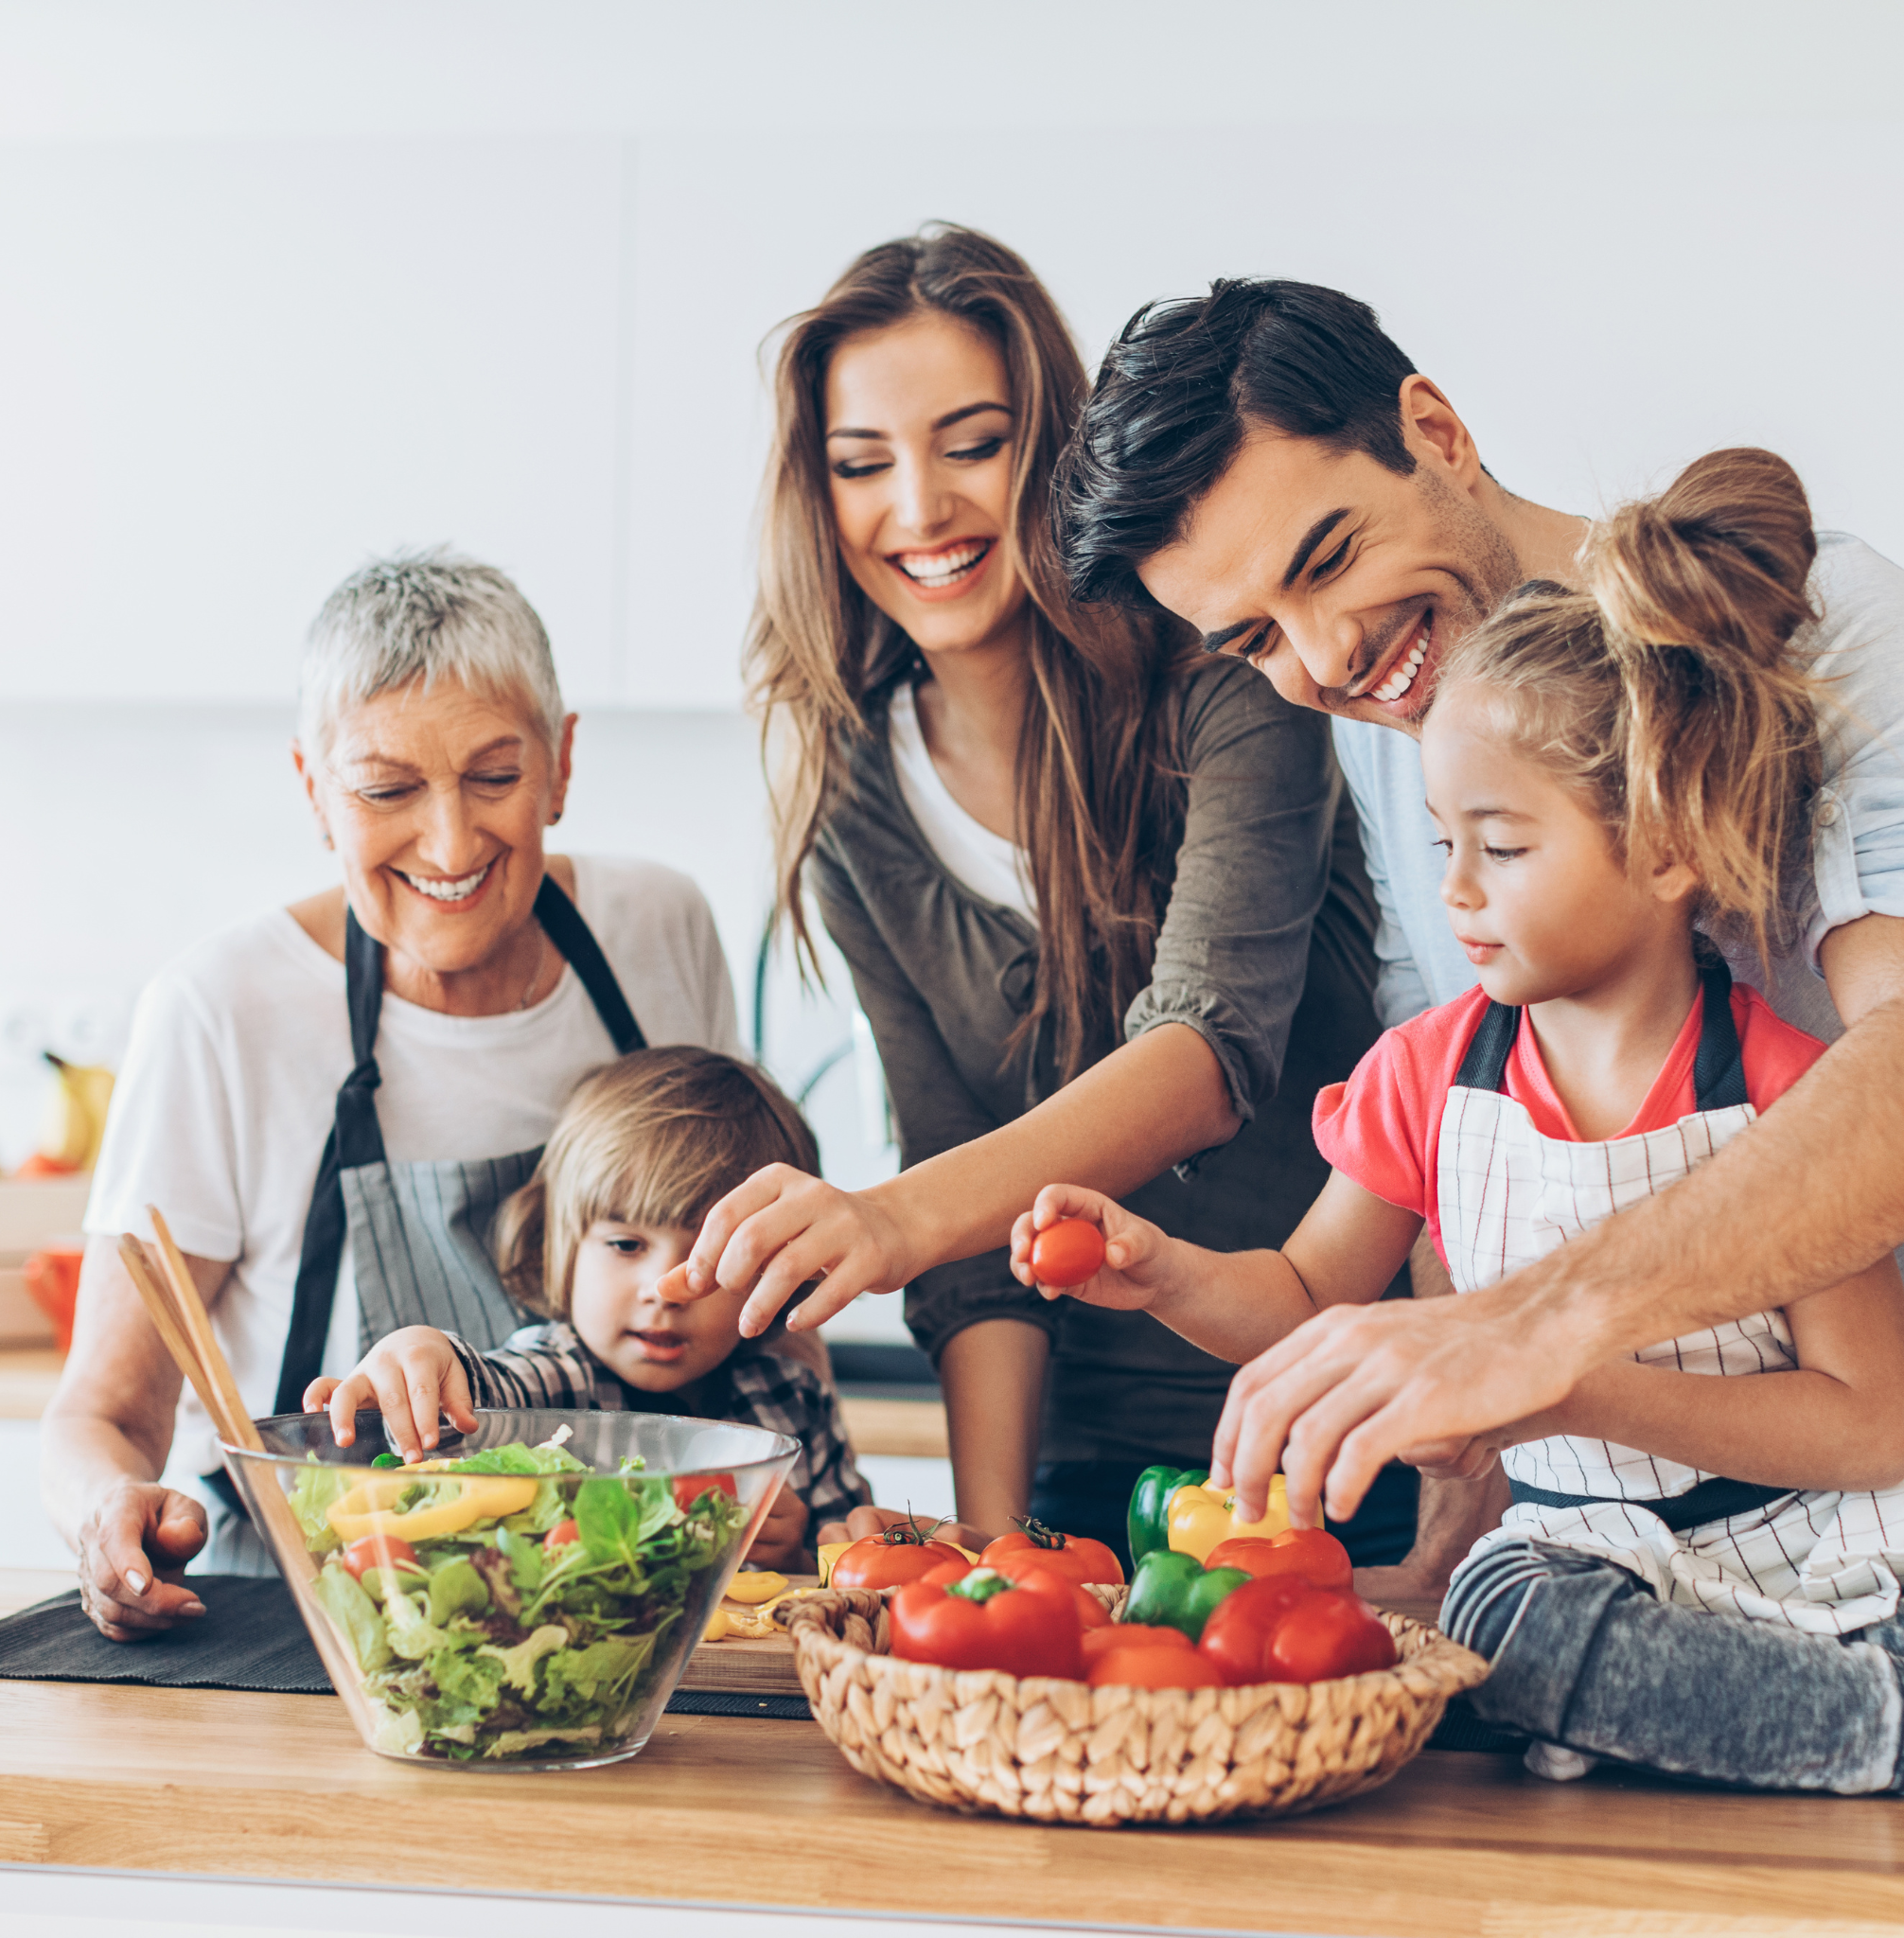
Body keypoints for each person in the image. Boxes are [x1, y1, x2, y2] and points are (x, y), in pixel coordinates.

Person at [1020, 449, 1904, 1791]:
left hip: (1833, 1542)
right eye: (1442, 841)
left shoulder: (1795, 1097)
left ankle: (1852, 1722)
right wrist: (1165, 1276)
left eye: (1502, 848)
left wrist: (1562, 1376)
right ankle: (1873, 1733)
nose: (1454, 893)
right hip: (1591, 1560)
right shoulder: (1424, 1077)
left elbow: (1866, 1429)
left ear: (1672, 843)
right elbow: (1303, 1301)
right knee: (1499, 1620)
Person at [679, 225, 1396, 1569]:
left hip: (1336, 1431)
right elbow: (963, 1224)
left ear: (1054, 454)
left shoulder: (1229, 680)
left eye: (972, 443)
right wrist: (991, 1548)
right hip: (1084, 1464)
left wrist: (886, 1219)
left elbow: (1204, 1057)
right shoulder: (850, 789)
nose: (920, 508)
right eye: (861, 464)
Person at [44, 551, 746, 1638]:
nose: (452, 842)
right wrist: (107, 1513)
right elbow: (104, 1409)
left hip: (617, 1612)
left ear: (561, 763)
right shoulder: (221, 1009)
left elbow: (755, 1286)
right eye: (387, 789)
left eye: (495, 776)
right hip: (311, 1626)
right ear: (314, 791)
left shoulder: (658, 931)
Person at [304, 1048, 873, 1574]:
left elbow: (854, 1570)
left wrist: (798, 1555)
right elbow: (484, 1387)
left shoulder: (796, 1398)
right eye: (626, 1246)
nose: (666, 1290)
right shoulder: (556, 1373)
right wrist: (422, 1351)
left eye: (714, 1258)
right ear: (562, 1249)